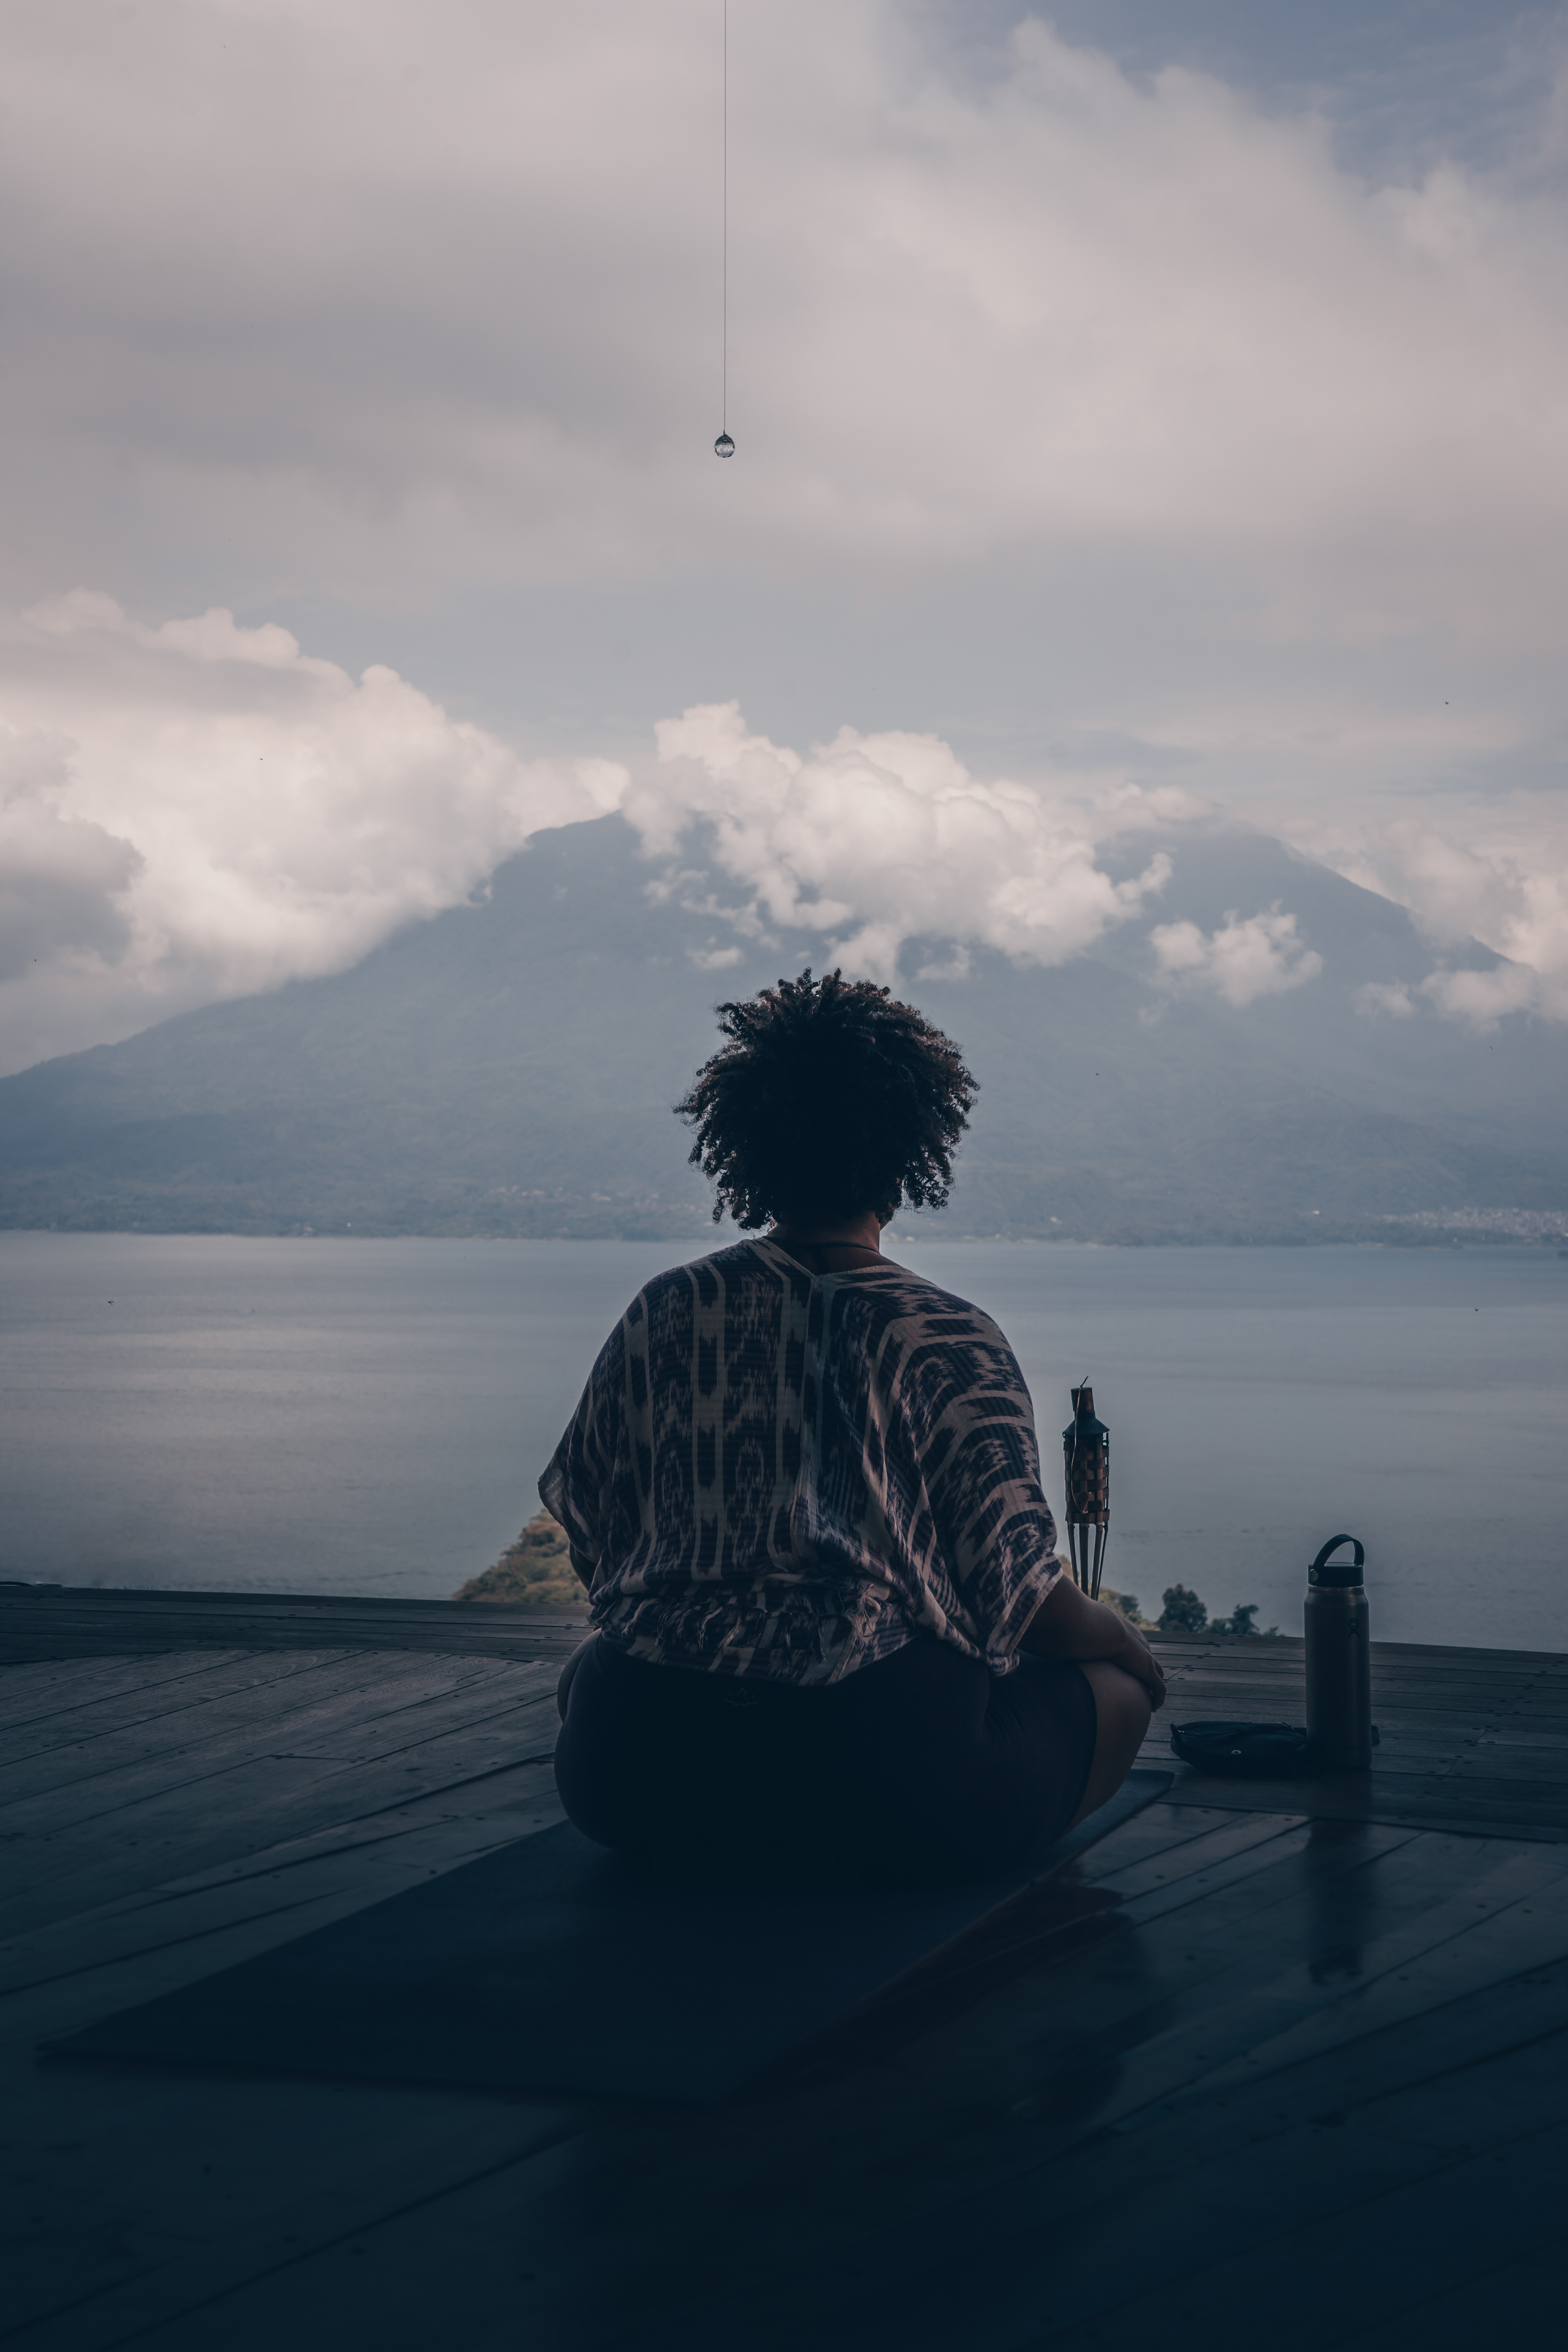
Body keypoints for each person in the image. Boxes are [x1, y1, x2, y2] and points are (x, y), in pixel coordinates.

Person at [542, 969, 1165, 1886]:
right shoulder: (946, 1336)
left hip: (630, 1774)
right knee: (1115, 1693)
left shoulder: (665, 1309)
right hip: (883, 1783)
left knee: (585, 1679)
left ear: (746, 1146)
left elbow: (593, 1519)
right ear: (908, 1151)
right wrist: (1127, 1644)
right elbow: (1027, 1602)